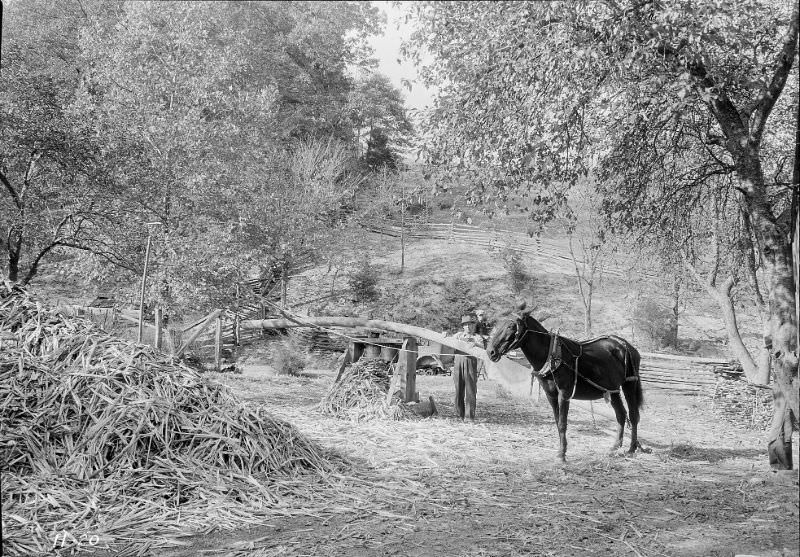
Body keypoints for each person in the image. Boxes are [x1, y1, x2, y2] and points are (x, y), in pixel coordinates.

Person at [451, 315, 485, 420]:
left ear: (474, 326)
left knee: (470, 389)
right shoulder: (458, 335)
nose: (468, 327)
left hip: (470, 362)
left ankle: (469, 416)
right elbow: (448, 341)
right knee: (458, 389)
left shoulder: (477, 337)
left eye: (470, 324)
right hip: (458, 362)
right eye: (466, 325)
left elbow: (482, 348)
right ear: (463, 326)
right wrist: (444, 335)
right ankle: (459, 414)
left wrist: (474, 343)